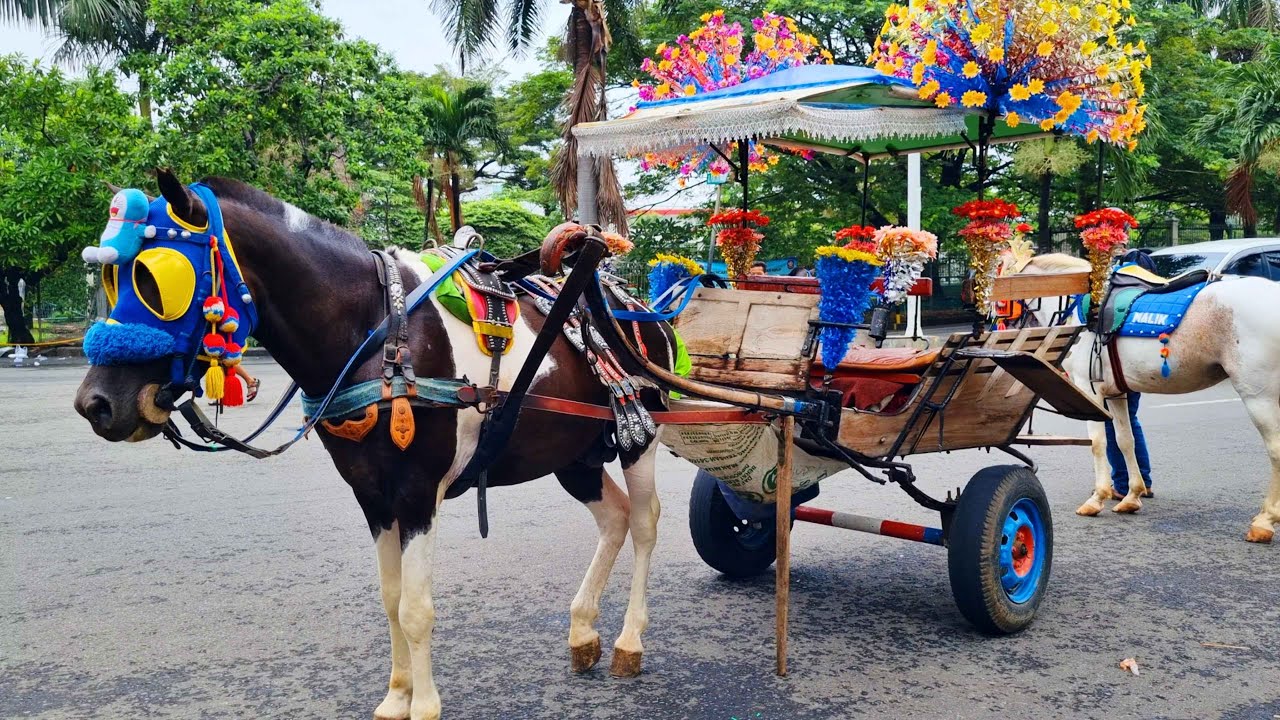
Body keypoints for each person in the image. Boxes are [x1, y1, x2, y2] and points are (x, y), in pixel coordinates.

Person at [1104, 247, 1157, 498]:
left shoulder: (1119, 297)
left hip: (1119, 370)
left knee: (1114, 422)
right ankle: (1143, 479)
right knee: (1130, 420)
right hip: (1132, 368)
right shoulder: (1145, 298)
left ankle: (1124, 483)